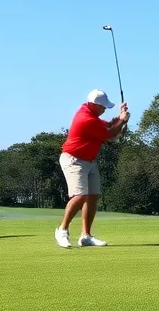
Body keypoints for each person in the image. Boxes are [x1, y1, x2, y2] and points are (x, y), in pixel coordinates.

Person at [55, 89, 130, 248]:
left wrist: (121, 117)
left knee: (93, 196)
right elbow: (110, 135)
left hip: (88, 160)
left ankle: (86, 236)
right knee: (80, 196)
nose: (104, 110)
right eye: (103, 107)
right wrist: (121, 121)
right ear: (93, 105)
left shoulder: (90, 113)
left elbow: (109, 125)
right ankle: (62, 230)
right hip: (73, 160)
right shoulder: (86, 119)